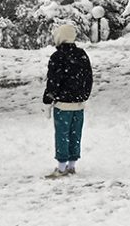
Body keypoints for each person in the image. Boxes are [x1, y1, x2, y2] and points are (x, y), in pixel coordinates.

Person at [42, 24, 93, 178]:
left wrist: (48, 99)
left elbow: (53, 81)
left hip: (62, 105)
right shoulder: (82, 54)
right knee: (75, 134)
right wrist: (84, 95)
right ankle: (72, 165)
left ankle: (61, 167)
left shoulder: (57, 57)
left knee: (62, 135)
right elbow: (88, 78)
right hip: (79, 104)